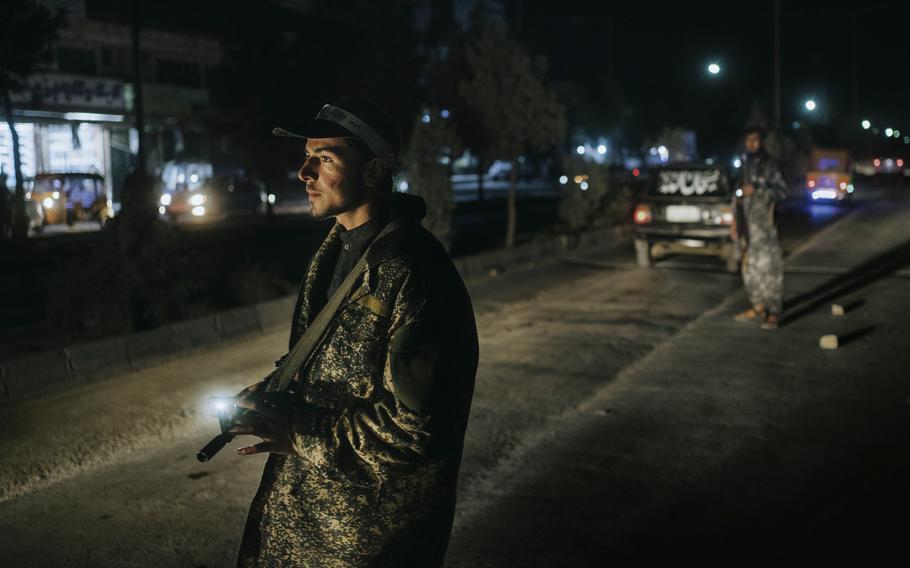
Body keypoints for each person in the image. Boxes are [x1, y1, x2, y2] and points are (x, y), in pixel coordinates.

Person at [231, 97, 479, 567]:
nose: (304, 173)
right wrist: (275, 392)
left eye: (324, 159)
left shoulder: (415, 275)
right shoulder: (334, 251)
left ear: (373, 171)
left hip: (368, 539)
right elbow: (329, 359)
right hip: (303, 525)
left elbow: (417, 428)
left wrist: (299, 430)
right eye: (306, 158)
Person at [732, 127, 789, 329]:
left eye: (755, 140)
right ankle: (758, 307)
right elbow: (737, 195)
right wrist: (734, 222)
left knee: (769, 269)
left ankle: (774, 311)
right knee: (749, 269)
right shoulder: (744, 164)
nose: (751, 144)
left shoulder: (770, 165)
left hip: (764, 227)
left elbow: (782, 191)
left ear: (762, 142)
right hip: (746, 227)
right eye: (748, 140)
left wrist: (757, 190)